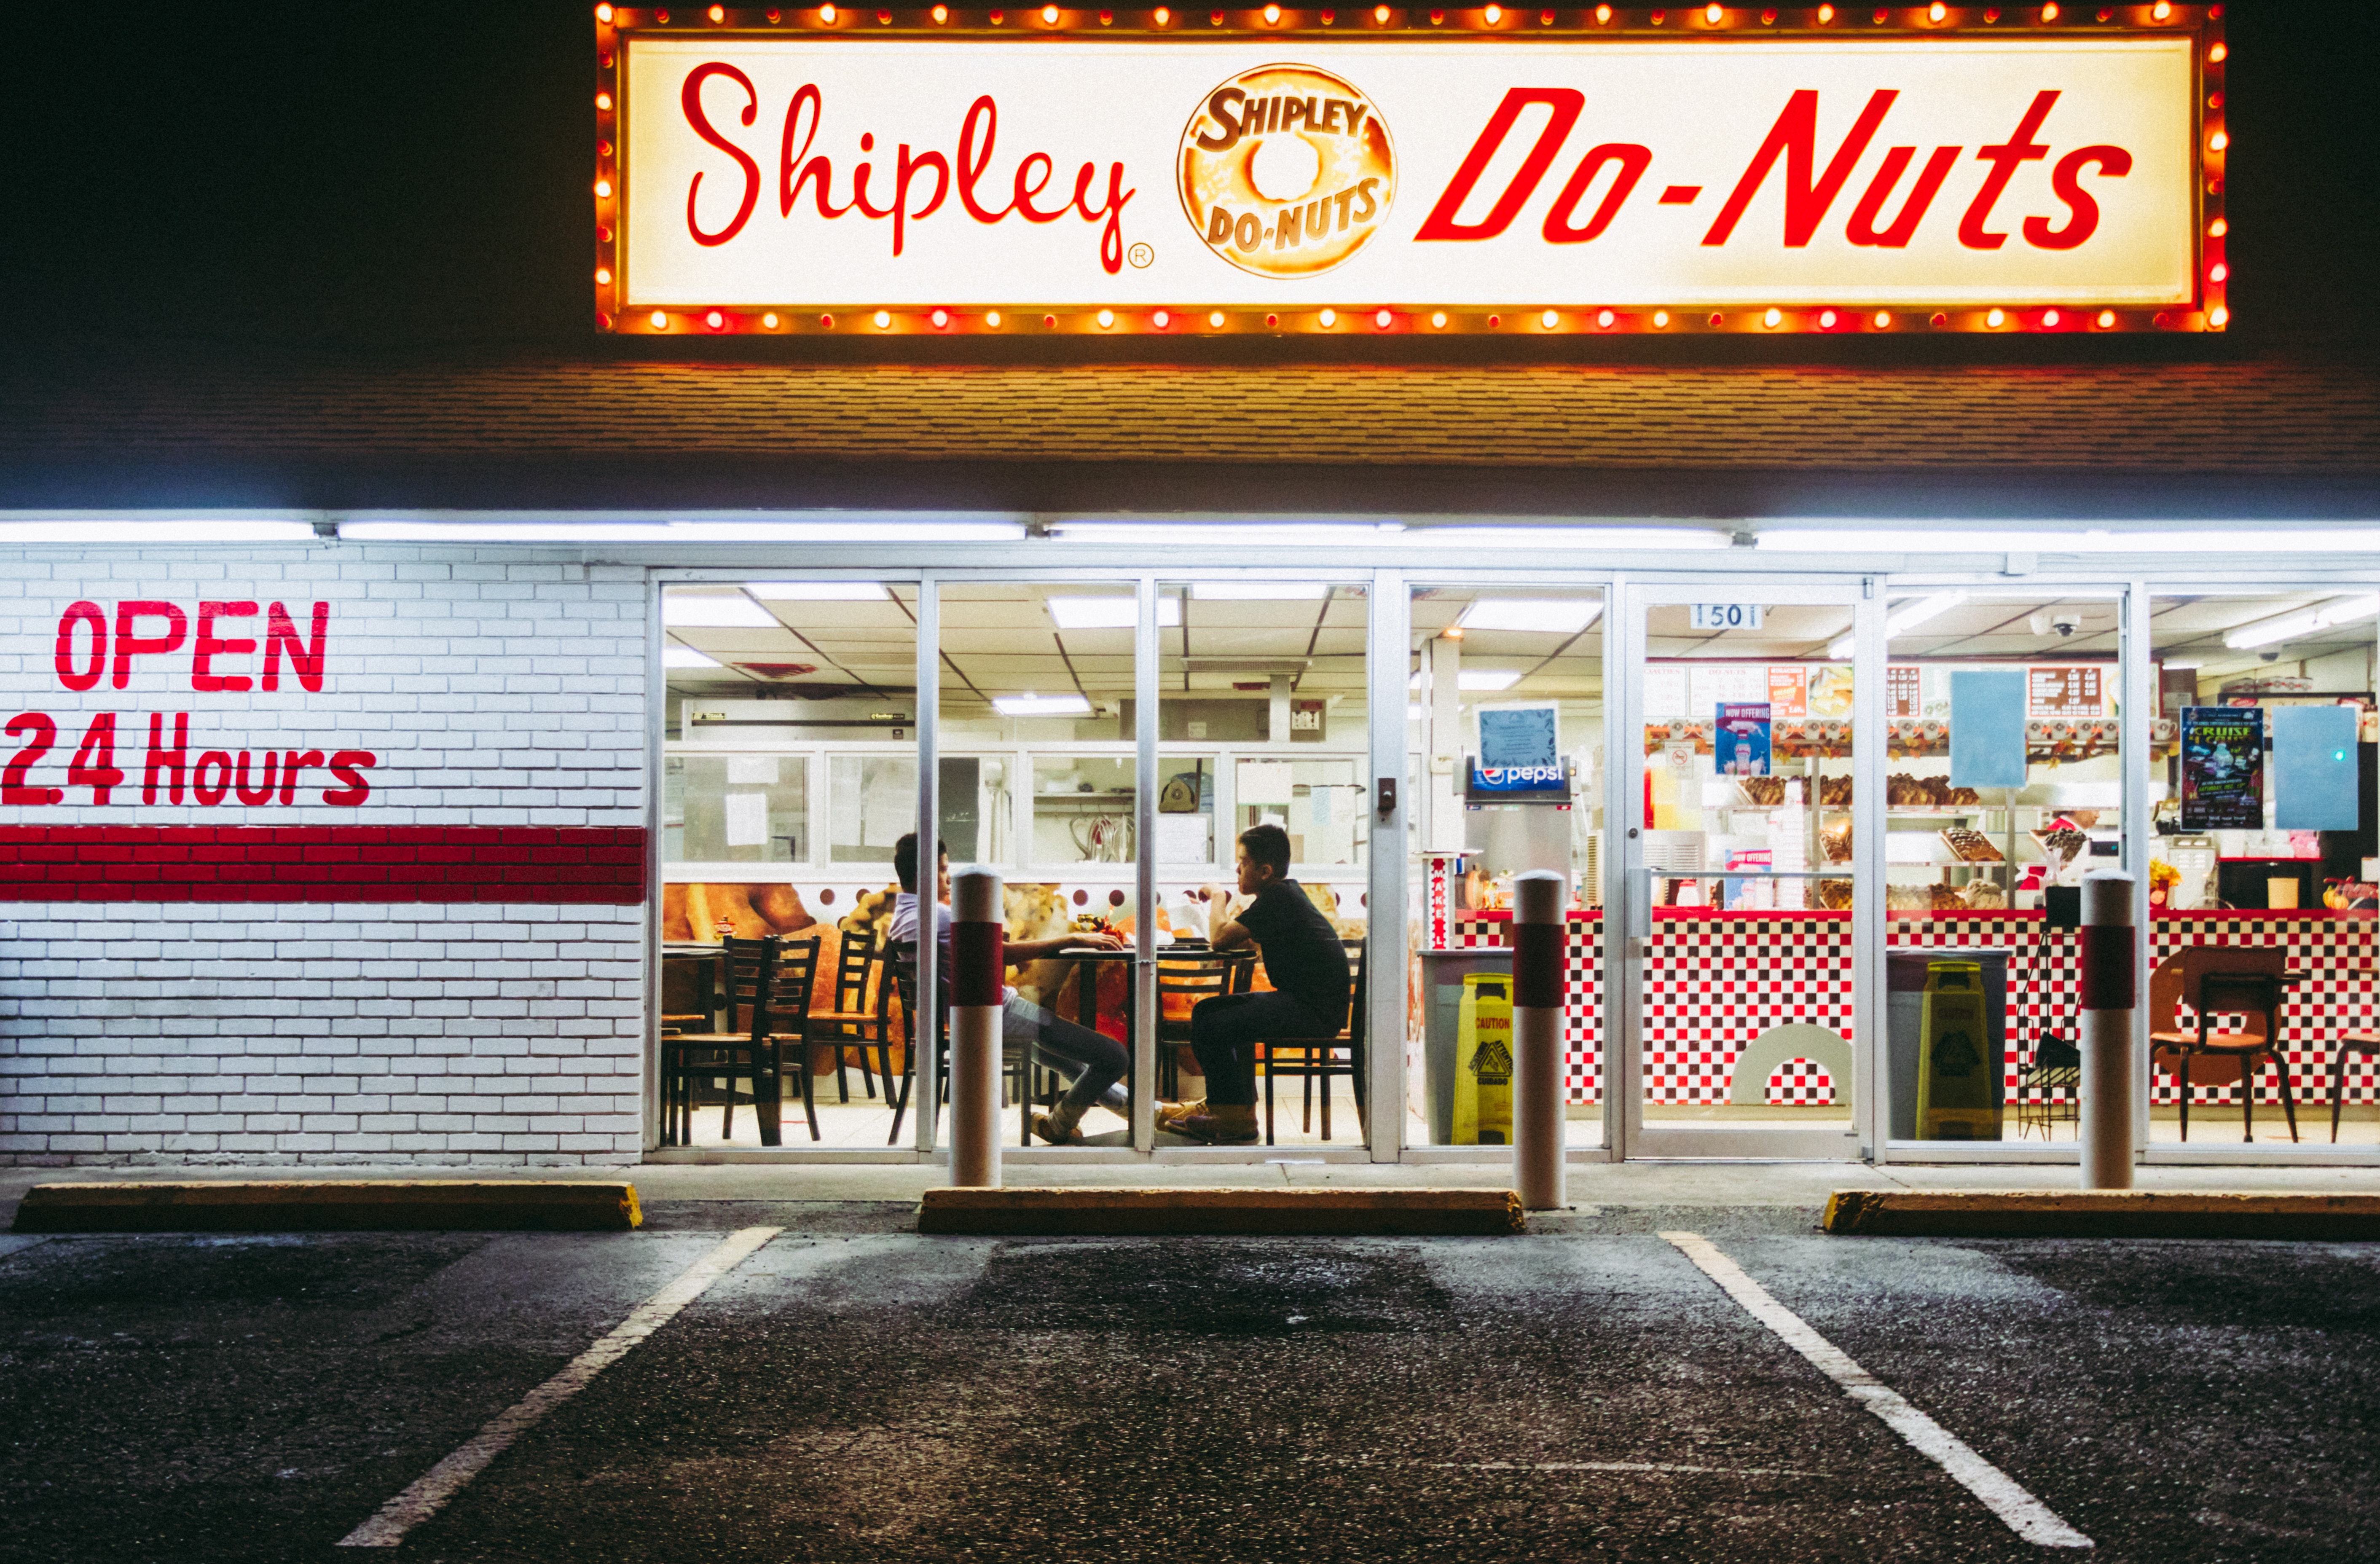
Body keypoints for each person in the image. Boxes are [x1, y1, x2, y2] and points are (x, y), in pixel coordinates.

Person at [890, 833, 1132, 1145]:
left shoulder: (904, 916)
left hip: (968, 1018)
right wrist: (1074, 939)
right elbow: (1002, 953)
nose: (947, 877)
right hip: (1000, 1015)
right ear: (924, 873)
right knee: (1114, 1058)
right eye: (941, 868)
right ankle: (1059, 1124)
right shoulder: (940, 916)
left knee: (1071, 1064)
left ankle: (1147, 1114)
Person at [1161, 822, 1352, 1145]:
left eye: (1243, 862)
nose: (1237, 869)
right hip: (1308, 1004)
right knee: (1208, 1011)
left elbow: (1220, 939)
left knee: (1214, 1022)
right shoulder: (1282, 896)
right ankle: (1234, 1110)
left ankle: (1231, 1115)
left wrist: (1219, 896)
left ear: (1264, 871)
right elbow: (1247, 939)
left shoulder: (1277, 898)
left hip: (1311, 1011)